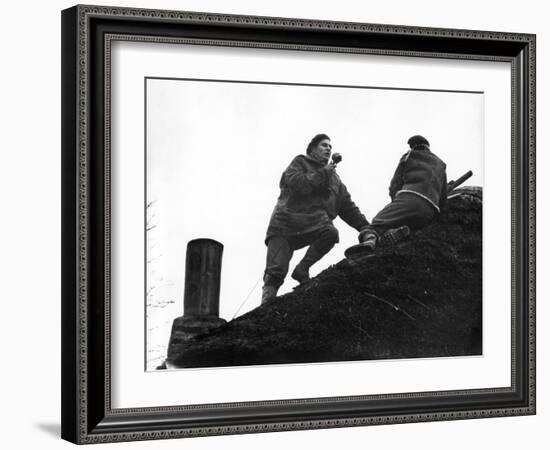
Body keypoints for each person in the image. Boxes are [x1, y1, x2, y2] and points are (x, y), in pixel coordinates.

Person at [262, 133, 370, 304]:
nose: (328, 148)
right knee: (275, 271)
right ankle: (265, 308)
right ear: (312, 149)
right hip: (285, 222)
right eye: (323, 145)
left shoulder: (335, 180)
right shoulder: (299, 162)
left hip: (312, 222)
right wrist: (322, 173)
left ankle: (302, 269)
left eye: (330, 146)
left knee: (330, 232)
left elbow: (348, 207)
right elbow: (299, 185)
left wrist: (365, 227)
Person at [359, 135, 447, 250]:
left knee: (377, 223)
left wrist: (396, 202)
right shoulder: (441, 164)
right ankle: (396, 234)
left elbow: (395, 185)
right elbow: (443, 199)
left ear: (412, 146)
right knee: (409, 224)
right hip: (430, 210)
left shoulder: (409, 155)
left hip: (410, 198)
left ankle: (370, 241)